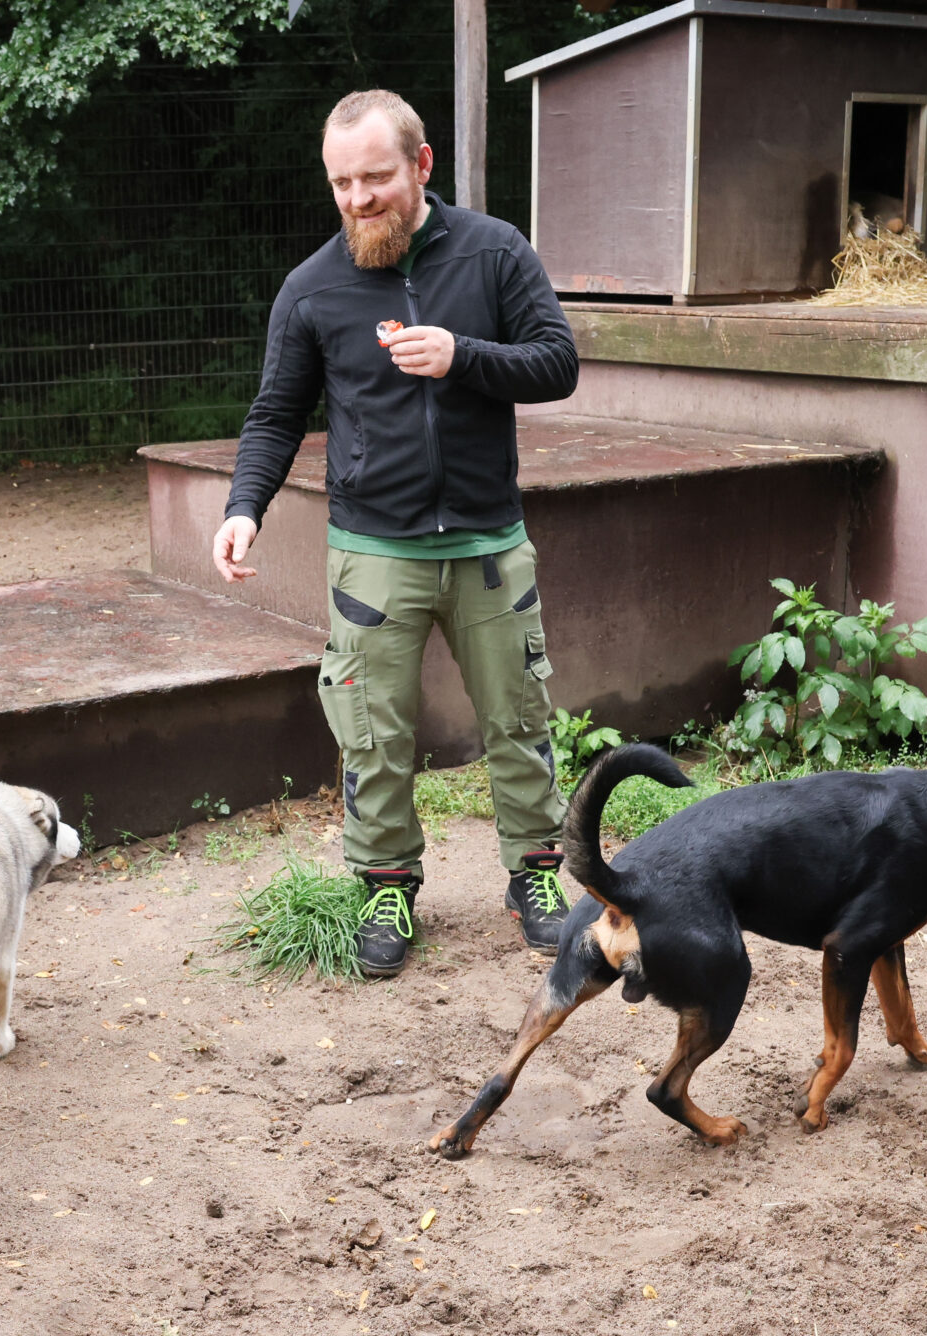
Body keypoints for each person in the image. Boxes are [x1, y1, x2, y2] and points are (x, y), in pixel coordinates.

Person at [214, 89, 582, 978]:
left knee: (519, 716)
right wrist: (241, 507)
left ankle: (534, 873)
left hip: (489, 544)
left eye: (374, 177)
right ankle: (386, 882)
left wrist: (464, 356)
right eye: (341, 182)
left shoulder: (495, 253)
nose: (356, 198)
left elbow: (558, 362)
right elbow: (274, 415)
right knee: (372, 729)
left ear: (421, 166)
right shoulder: (313, 289)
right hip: (374, 550)